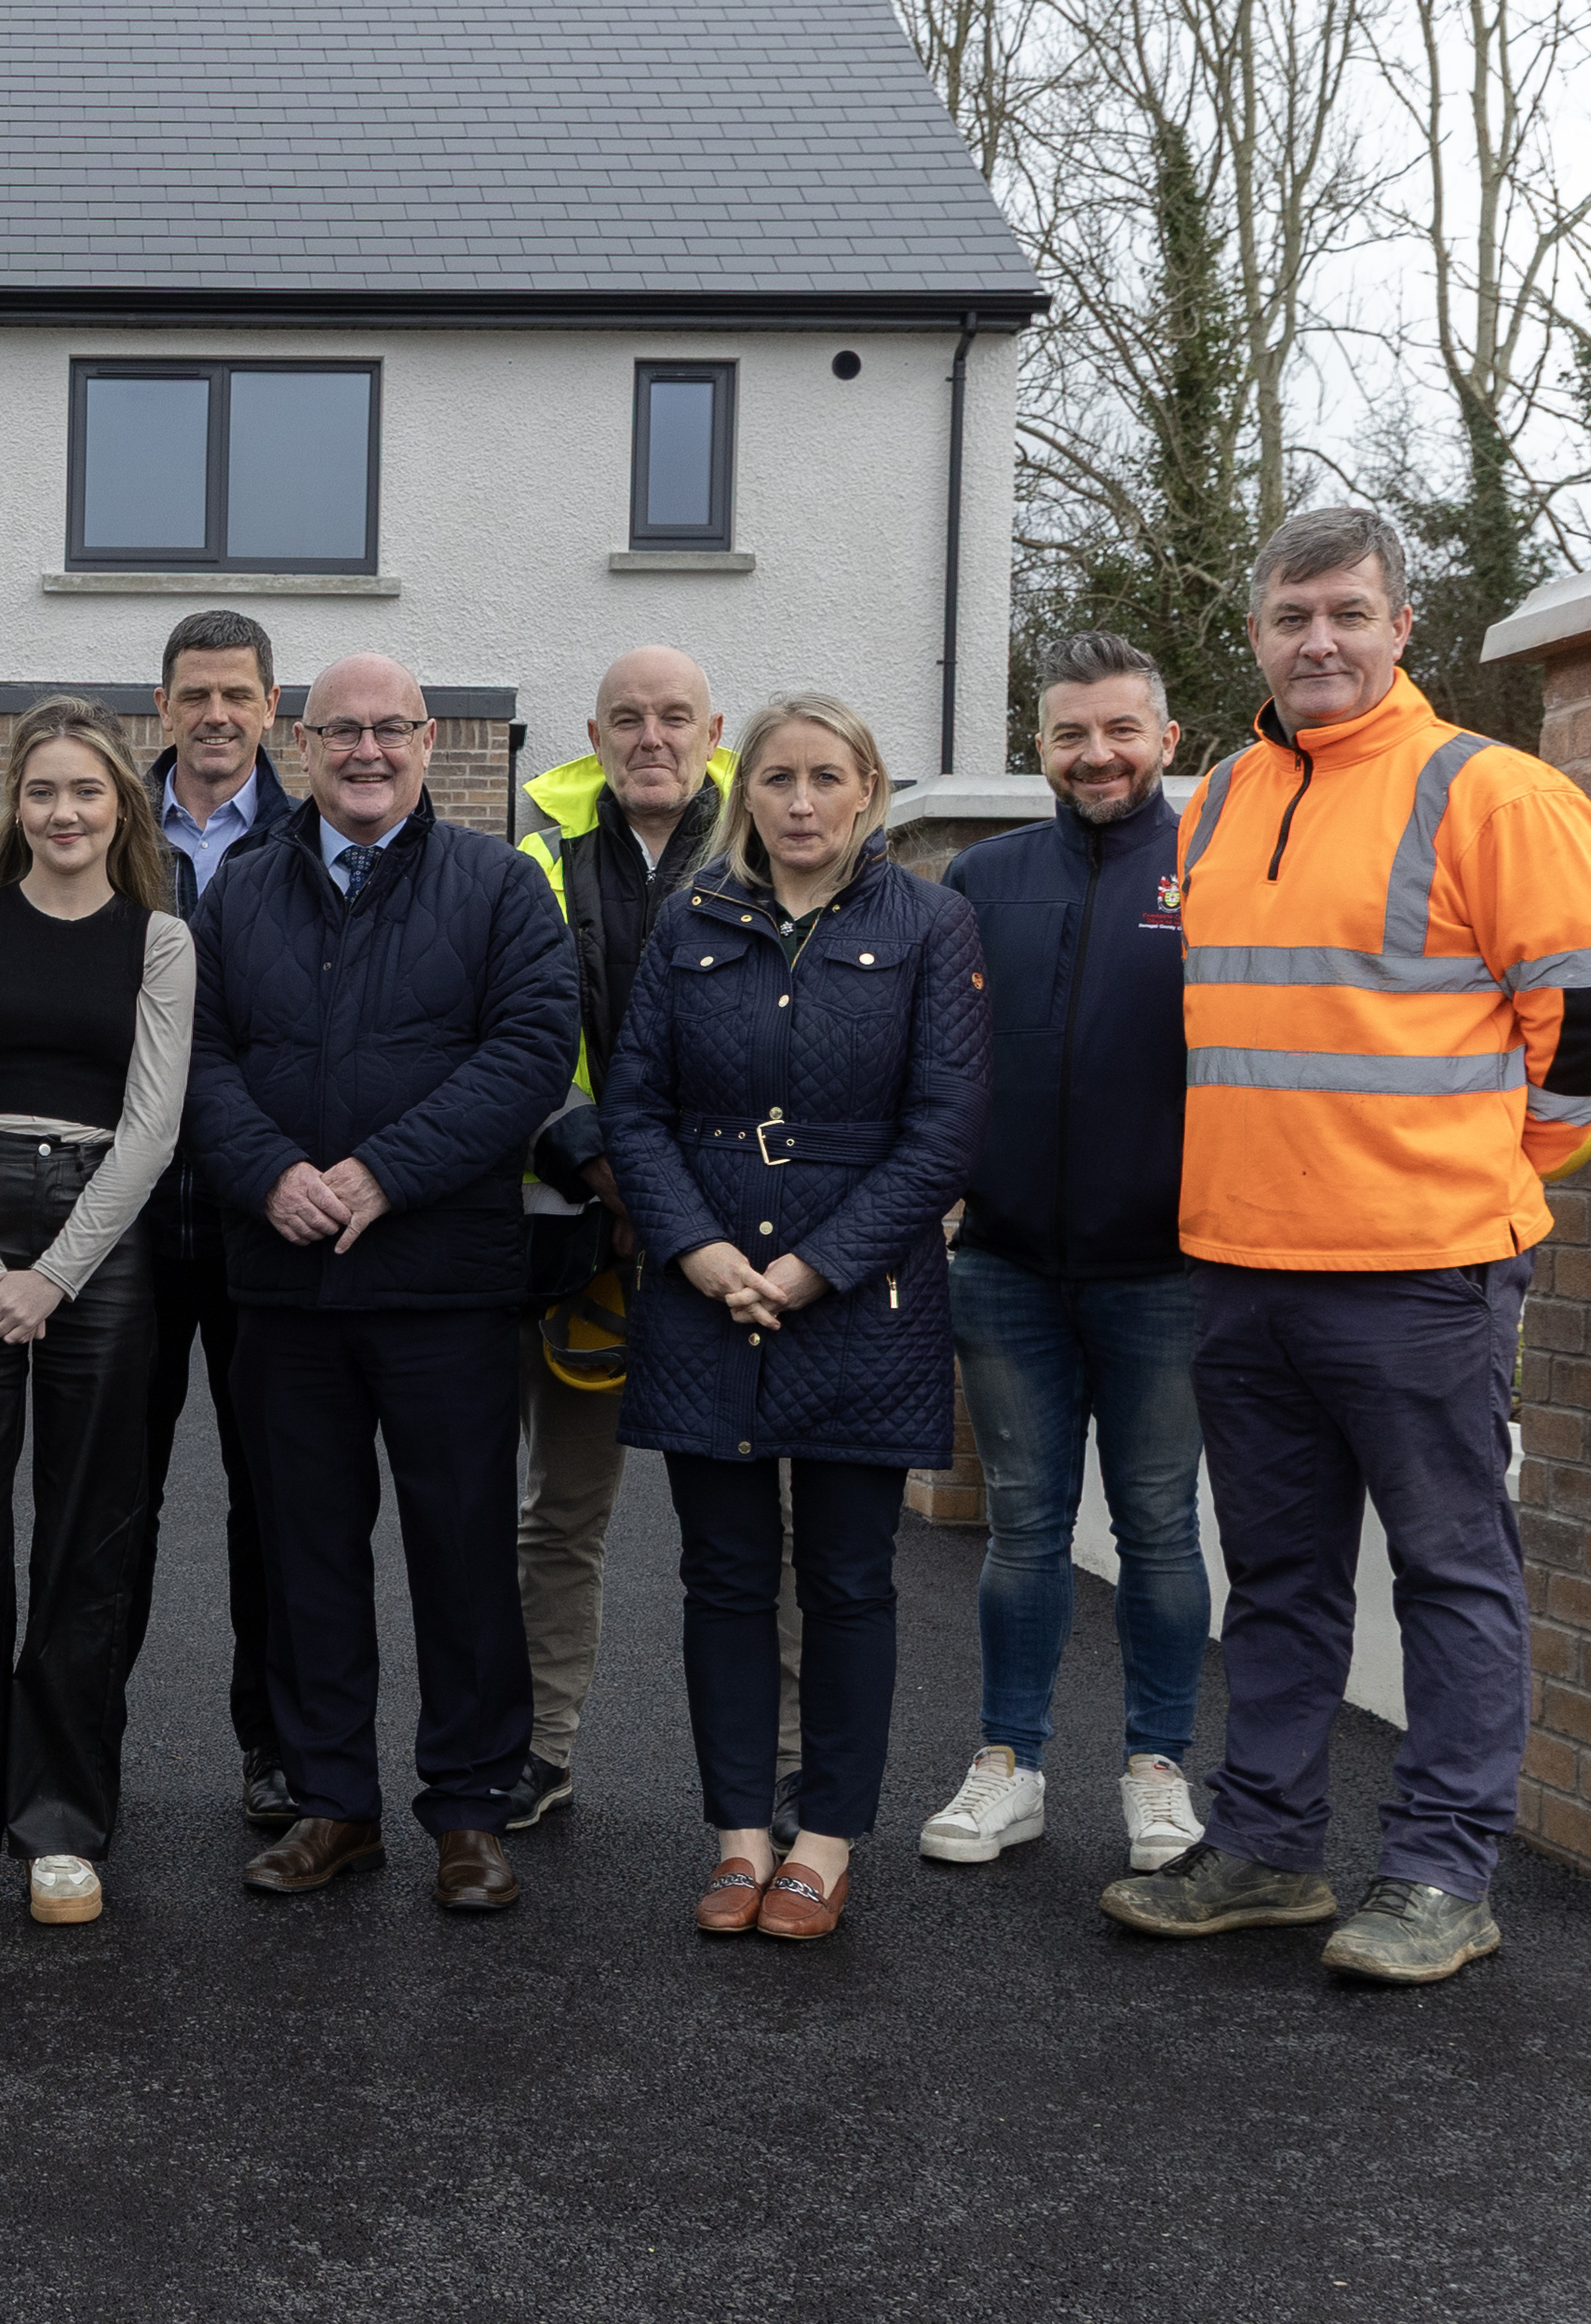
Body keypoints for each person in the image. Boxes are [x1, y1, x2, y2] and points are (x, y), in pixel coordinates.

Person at [1102, 507, 1591, 1984]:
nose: (1320, 641)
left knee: (1450, 1576)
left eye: (1348, 614)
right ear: (1252, 634)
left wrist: (1489, 1183)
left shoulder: (1490, 793)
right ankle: (1267, 1851)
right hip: (1244, 1266)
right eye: (1292, 615)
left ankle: (1444, 1873)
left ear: (1402, 630)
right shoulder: (1223, 796)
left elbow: (1578, 1034)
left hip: (1423, 1273)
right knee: (1284, 1579)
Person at [183, 653, 576, 1912]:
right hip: (283, 1282)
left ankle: (469, 1810)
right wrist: (274, 1174)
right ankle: (331, 1802)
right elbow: (196, 1062)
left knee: (460, 1550)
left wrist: (377, 1176)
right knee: (304, 1554)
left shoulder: (500, 888)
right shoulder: (238, 897)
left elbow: (528, 1055)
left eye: (389, 730)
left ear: (428, 743)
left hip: (442, 1282)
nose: (365, 751)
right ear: (301, 750)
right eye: (341, 732)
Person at [600, 694, 988, 1942]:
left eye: (828, 778)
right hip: (705, 1296)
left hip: (859, 1302)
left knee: (847, 1581)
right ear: (744, 791)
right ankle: (737, 1838)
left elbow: (943, 1135)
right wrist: (703, 1253)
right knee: (719, 1577)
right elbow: (635, 1112)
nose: (803, 802)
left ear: (868, 791)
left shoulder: (930, 924)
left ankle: (824, 1840)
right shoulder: (689, 923)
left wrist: (816, 1264)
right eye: (779, 779)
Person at [0, 697, 193, 1929]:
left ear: (120, 808)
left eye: (86, 793)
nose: (63, 814)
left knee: (87, 1538)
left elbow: (155, 1126)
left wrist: (55, 1273)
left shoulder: (160, 942)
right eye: (41, 793)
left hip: (98, 1244)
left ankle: (62, 1821)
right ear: (14, 809)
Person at [922, 632, 1208, 1873]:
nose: (1096, 755)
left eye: (1120, 731)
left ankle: (1156, 1769)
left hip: (1167, 1269)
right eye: (1070, 734)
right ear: (1037, 747)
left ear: (1166, 741)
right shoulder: (983, 878)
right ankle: (1009, 1765)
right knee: (1025, 1529)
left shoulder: (1222, 870)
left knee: (1158, 1531)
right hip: (1007, 1264)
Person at [501, 645, 736, 1831]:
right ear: (593, 735)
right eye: (628, 718)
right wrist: (608, 1167)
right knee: (563, 1514)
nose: (652, 737)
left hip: (733, 1247)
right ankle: (540, 1754)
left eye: (675, 717)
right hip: (584, 1231)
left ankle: (772, 1775)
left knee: (751, 1525)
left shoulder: (766, 848)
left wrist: (684, 1205)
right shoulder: (535, 859)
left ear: (714, 730)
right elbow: (521, 1029)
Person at [128, 610, 298, 1829]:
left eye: (238, 695)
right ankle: (77, 1749)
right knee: (102, 1500)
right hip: (123, 1233)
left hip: (261, 1229)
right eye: (196, 695)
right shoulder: (105, 828)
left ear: (272, 708)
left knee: (276, 1500)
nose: (217, 716)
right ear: (163, 706)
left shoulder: (312, 838)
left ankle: (277, 1752)